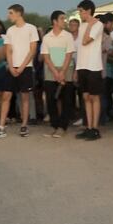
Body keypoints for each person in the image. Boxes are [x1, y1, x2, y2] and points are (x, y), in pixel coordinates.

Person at [0, 5, 39, 139]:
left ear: (19, 13)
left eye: (11, 13)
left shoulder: (31, 28)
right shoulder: (11, 31)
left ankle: (24, 125)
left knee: (24, 97)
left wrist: (22, 67)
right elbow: (8, 50)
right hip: (12, 68)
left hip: (26, 67)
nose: (9, 16)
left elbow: (32, 50)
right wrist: (11, 67)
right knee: (6, 96)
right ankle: (1, 127)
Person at [41, 10, 76, 138]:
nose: (64, 21)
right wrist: (55, 72)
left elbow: (69, 54)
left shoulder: (68, 36)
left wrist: (62, 72)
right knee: (50, 99)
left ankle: (63, 126)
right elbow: (46, 56)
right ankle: (55, 125)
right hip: (51, 70)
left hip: (66, 69)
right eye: (62, 19)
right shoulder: (46, 37)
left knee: (66, 99)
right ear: (55, 21)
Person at [74, 0, 104, 141]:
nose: (80, 14)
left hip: (93, 66)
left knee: (94, 97)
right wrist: (76, 68)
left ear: (88, 11)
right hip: (82, 65)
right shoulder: (83, 26)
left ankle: (95, 128)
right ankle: (88, 126)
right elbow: (80, 46)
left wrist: (90, 24)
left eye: (81, 11)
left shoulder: (98, 25)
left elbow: (86, 40)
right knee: (86, 97)